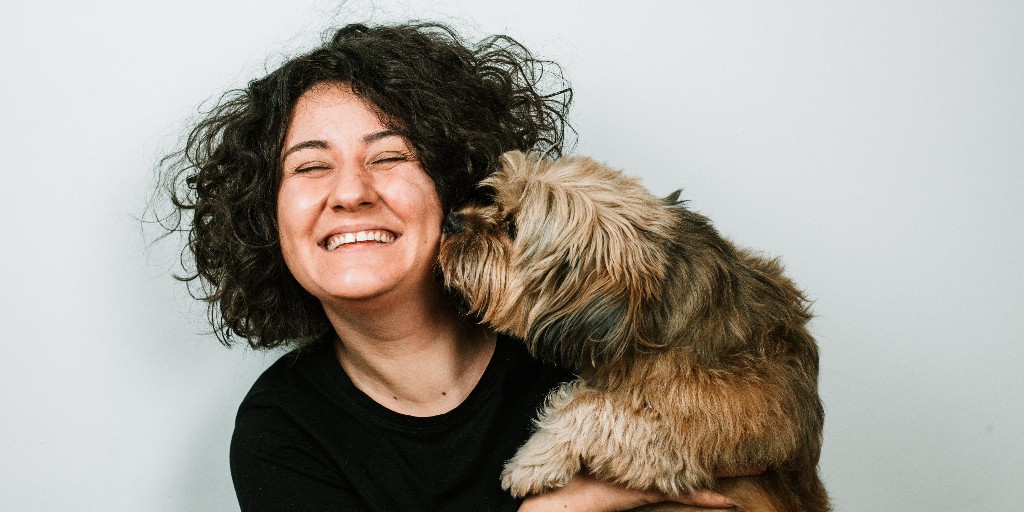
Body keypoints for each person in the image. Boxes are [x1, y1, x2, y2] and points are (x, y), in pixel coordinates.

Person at [162, 21, 747, 512]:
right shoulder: (281, 429)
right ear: (266, 218)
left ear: (451, 186)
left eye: (389, 156)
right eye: (310, 167)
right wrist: (564, 506)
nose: (350, 193)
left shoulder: (588, 335)